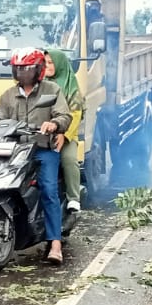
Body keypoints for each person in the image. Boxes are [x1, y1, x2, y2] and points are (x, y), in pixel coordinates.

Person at [0, 48, 72, 266]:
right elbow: (0, 121)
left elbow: (65, 115)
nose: (22, 73)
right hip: (14, 151)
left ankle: (55, 243)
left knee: (48, 190)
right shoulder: (7, 95)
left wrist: (54, 124)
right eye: (19, 69)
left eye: (27, 69)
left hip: (42, 149)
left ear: (38, 70)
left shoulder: (51, 90)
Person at [46, 48, 84, 217]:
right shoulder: (40, 83)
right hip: (43, 133)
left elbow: (76, 115)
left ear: (60, 64)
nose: (46, 66)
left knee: (69, 159)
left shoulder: (71, 86)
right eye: (44, 62)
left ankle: (73, 198)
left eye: (50, 62)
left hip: (67, 134)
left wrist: (64, 133)